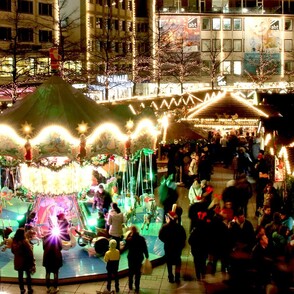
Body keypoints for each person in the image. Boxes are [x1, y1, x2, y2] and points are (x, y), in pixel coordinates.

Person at [158, 211, 186, 283]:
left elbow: (160, 236)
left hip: (168, 248)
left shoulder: (164, 227)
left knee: (169, 262)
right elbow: (184, 237)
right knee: (177, 262)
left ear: (169, 218)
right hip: (177, 248)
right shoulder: (180, 227)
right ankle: (177, 276)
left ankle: (170, 276)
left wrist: (166, 241)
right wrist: (181, 245)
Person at [125, 225, 149, 293]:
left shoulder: (129, 239)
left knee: (130, 271)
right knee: (138, 272)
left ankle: (130, 285)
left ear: (131, 231)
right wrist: (147, 256)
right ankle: (137, 287)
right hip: (139, 257)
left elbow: (125, 247)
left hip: (131, 257)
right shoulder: (141, 239)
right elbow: (145, 248)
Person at [11, 228, 35, 294]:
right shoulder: (25, 241)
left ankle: (22, 289)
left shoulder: (14, 241)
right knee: (28, 275)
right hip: (25, 261)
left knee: (20, 276)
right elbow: (30, 252)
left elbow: (12, 251)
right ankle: (29, 289)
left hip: (18, 261)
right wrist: (32, 261)